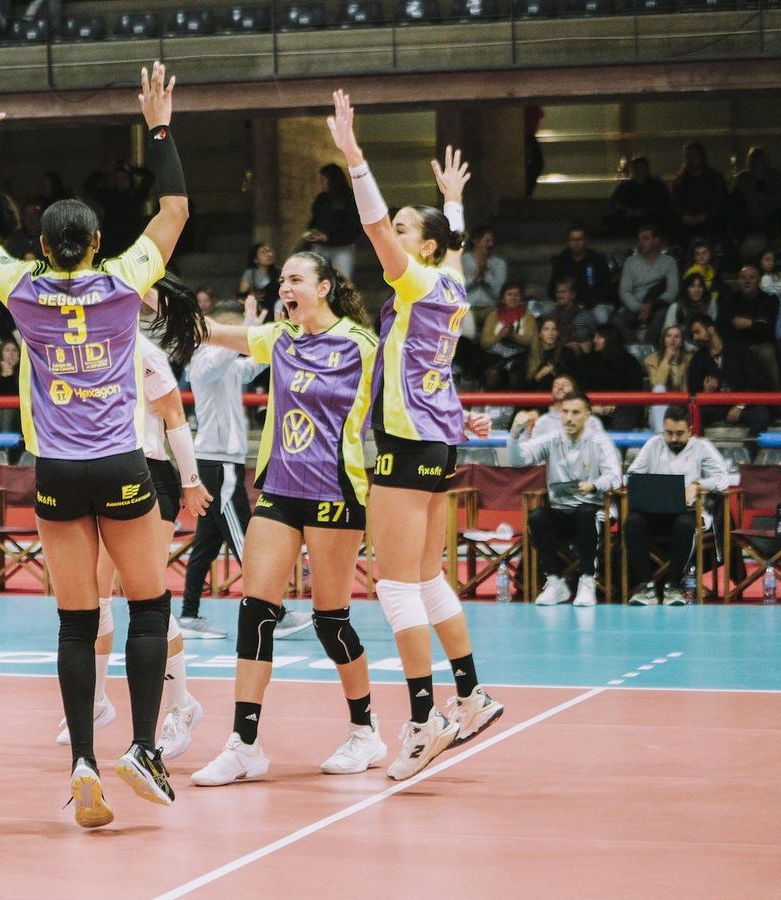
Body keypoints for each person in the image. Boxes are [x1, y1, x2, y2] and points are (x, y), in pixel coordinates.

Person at [0, 66, 206, 827]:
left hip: (58, 473)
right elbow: (176, 208)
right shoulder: (126, 282)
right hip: (124, 468)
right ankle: (142, 746)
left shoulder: (22, 289)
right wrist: (158, 126)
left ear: (40, 242)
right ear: (97, 242)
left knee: (73, 619)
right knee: (147, 607)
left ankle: (83, 762)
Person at [328, 90, 503, 781]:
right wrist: (451, 204)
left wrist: (355, 158)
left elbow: (373, 231)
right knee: (427, 578)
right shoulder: (451, 280)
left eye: (408, 228)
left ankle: (424, 722)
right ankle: (472, 692)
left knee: (394, 587)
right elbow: (453, 248)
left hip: (407, 449)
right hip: (439, 443)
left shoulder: (418, 283)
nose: (393, 235)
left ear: (421, 247)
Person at [191, 251, 387, 786]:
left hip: (336, 491)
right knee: (256, 611)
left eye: (296, 279)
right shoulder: (279, 337)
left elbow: (411, 392)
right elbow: (212, 331)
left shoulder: (362, 346)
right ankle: (244, 744)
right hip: (279, 487)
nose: (286, 287)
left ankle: (366, 731)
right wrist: (144, 298)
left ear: (324, 287)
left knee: (330, 619)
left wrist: (461, 420)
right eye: (282, 281)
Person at [62, 303, 212, 757]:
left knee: (144, 595)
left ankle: (182, 705)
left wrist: (190, 481)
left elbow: (174, 419)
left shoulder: (143, 352)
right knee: (98, 592)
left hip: (150, 475)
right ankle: (96, 701)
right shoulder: (85, 355)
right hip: (104, 474)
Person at [180, 298, 310, 642]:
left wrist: (281, 335)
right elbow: (225, 352)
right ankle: (276, 613)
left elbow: (254, 363)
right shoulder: (204, 362)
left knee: (206, 542)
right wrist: (249, 326)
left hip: (221, 462)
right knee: (246, 541)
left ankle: (188, 614)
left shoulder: (226, 367)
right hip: (219, 464)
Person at [508, 391, 622, 607]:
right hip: (561, 511)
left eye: (575, 412)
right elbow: (519, 459)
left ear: (588, 415)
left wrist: (594, 485)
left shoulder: (599, 442)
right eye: (565, 412)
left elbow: (616, 477)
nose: (569, 417)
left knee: (586, 513)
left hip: (593, 511)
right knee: (538, 517)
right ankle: (555, 582)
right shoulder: (551, 440)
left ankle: (587, 581)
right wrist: (515, 434)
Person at [623, 406, 729, 606]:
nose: (673, 439)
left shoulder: (702, 447)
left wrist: (698, 485)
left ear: (690, 430)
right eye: (668, 433)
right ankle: (646, 585)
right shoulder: (653, 444)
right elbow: (633, 475)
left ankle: (673, 585)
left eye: (679, 434)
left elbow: (722, 478)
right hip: (652, 513)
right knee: (632, 523)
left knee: (685, 525)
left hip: (686, 513)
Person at [688, 314, 771, 432]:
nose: (695, 337)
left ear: (711, 329)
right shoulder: (698, 358)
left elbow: (754, 379)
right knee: (692, 416)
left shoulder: (738, 348)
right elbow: (693, 392)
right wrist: (706, 393)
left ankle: (749, 450)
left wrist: (739, 406)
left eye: (697, 332)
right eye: (693, 334)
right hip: (715, 407)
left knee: (761, 414)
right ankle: (702, 449)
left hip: (742, 405)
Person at [718, 263, 780, 387]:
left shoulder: (770, 300)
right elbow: (723, 328)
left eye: (751, 277)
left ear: (759, 280)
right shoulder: (730, 300)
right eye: (743, 277)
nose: (747, 280)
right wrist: (759, 325)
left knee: (767, 353)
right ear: (739, 280)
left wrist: (750, 324)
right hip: (737, 346)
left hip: (761, 346)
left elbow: (772, 330)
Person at [617, 225, 678, 341]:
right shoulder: (630, 262)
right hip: (635, 305)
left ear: (655, 240)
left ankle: (648, 348)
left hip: (657, 304)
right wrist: (640, 307)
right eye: (639, 239)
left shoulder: (669, 262)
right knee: (616, 320)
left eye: (645, 239)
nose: (641, 243)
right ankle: (635, 348)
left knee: (661, 315)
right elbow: (624, 291)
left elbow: (672, 291)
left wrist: (650, 306)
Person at [580, 324, 646, 430]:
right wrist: (594, 406)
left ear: (610, 338)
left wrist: (616, 402)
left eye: (599, 337)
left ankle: (620, 446)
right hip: (594, 406)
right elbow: (582, 388)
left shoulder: (629, 361)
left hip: (623, 406)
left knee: (624, 416)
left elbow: (634, 389)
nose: (594, 340)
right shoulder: (588, 361)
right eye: (594, 337)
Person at [304, 164, 358, 278]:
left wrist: (329, 237)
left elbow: (354, 229)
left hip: (342, 247)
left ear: (332, 180)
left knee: (341, 280)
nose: (320, 183)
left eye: (323, 180)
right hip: (321, 246)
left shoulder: (349, 199)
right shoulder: (321, 199)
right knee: (317, 278)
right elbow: (314, 220)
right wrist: (312, 232)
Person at [478, 282, 535, 390]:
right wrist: (499, 336)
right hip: (494, 356)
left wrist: (511, 335)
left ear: (521, 299)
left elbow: (528, 340)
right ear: (503, 299)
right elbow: (484, 343)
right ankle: (489, 403)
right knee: (492, 373)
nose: (513, 297)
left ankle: (516, 403)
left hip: (518, 356)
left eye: (516, 295)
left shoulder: (528, 317)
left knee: (515, 371)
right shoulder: (493, 316)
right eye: (509, 294)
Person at [671, 142, 730, 244]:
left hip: (710, 223)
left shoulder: (715, 178)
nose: (690, 160)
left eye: (693, 156)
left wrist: (705, 216)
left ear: (701, 157)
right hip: (686, 225)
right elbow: (675, 203)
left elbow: (721, 202)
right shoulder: (680, 181)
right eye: (687, 157)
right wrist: (683, 216)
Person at [547, 224, 612, 308]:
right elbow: (552, 288)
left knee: (601, 316)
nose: (576, 243)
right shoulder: (561, 260)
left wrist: (587, 302)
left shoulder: (597, 260)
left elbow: (604, 288)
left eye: (579, 239)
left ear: (585, 240)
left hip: (592, 305)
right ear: (568, 241)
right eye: (572, 240)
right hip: (565, 303)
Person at [607, 156, 671, 238]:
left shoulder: (657, 186)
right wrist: (627, 211)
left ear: (647, 169)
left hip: (652, 223)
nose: (638, 172)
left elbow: (661, 204)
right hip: (628, 224)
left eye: (640, 168)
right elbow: (613, 203)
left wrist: (643, 212)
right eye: (635, 169)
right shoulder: (624, 187)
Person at [657, 272, 718, 345]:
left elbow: (712, 330)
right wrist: (690, 348)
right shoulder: (676, 307)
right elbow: (666, 336)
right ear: (686, 289)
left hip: (705, 345)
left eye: (699, 286)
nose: (696, 290)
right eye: (692, 286)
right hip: (682, 346)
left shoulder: (710, 303)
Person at [525, 316, 578, 391]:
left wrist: (556, 372)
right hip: (537, 398)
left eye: (554, 329)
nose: (551, 333)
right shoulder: (528, 355)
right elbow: (521, 388)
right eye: (546, 329)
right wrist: (537, 377)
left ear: (557, 333)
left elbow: (575, 381)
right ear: (539, 334)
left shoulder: (567, 353)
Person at [461, 226, 507, 311]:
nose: (491, 244)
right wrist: (473, 279)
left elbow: (499, 292)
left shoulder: (499, 264)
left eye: (492, 241)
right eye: (487, 241)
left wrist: (487, 275)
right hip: (466, 308)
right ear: (475, 241)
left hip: (491, 308)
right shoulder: (462, 261)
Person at [548, 276, 597, 350]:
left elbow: (594, 340)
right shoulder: (551, 315)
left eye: (563, 292)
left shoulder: (586, 316)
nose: (559, 295)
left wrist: (581, 347)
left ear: (573, 294)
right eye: (557, 292)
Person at [645, 324, 692, 392]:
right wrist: (666, 359)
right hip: (663, 399)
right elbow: (657, 385)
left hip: (684, 399)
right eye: (668, 336)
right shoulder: (651, 360)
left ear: (681, 342)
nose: (672, 340)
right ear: (664, 340)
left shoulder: (690, 359)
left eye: (677, 336)